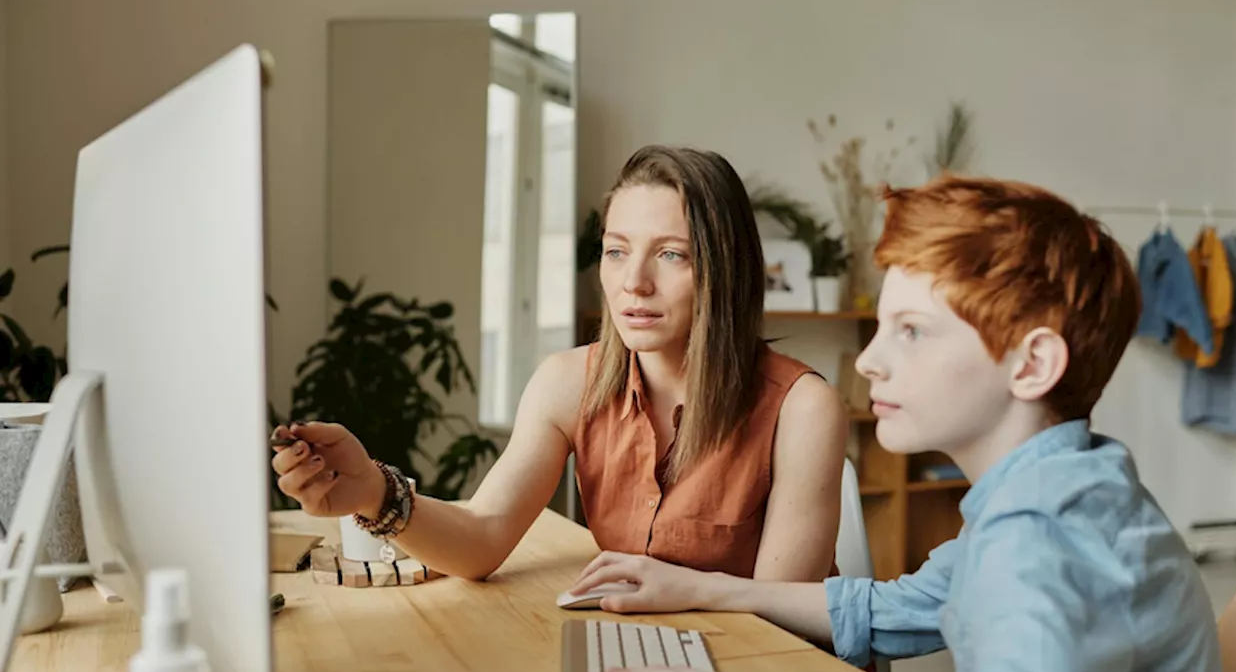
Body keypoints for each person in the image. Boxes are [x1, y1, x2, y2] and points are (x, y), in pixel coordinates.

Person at [570, 176, 1224, 672]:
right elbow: (897, 607)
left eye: (910, 330)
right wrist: (703, 588)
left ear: (1031, 365)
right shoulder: (1056, 488)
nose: (868, 361)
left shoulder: (1045, 532)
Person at [270, 144, 848, 583]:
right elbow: (482, 537)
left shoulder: (803, 408)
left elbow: (780, 619)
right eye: (617, 251)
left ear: (727, 270)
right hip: (641, 662)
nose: (634, 283)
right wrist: (373, 491)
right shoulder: (568, 382)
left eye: (671, 255)